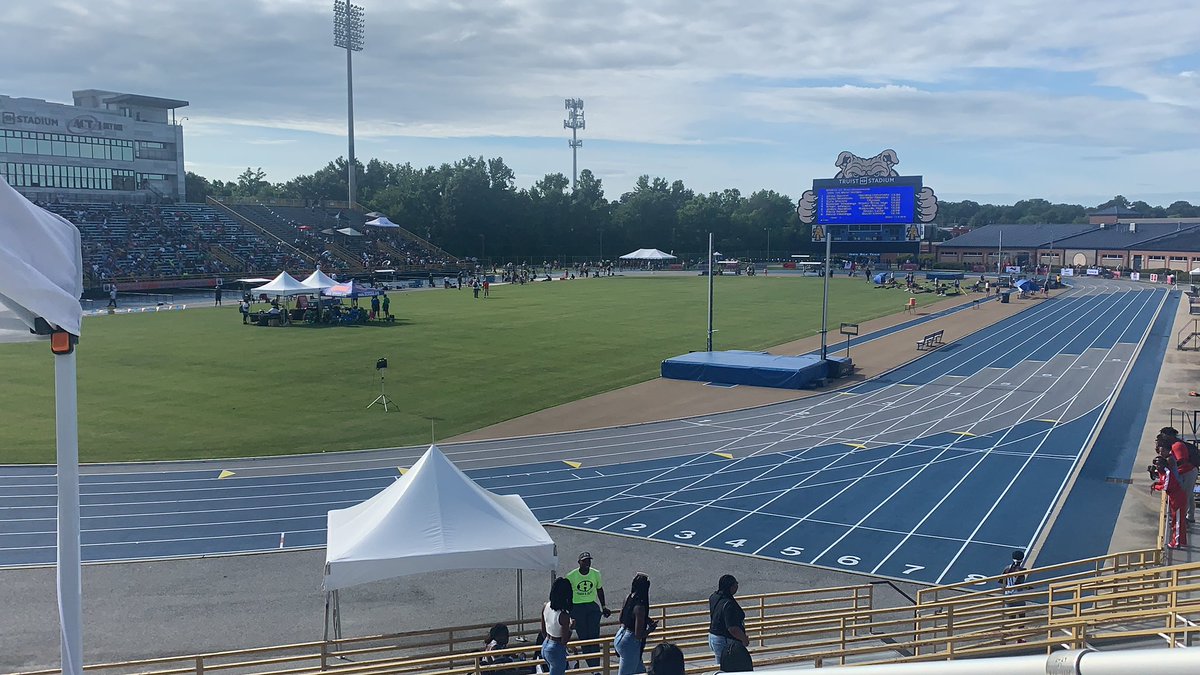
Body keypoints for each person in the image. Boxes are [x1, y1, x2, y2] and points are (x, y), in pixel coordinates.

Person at [567, 551, 609, 668]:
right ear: (579, 562)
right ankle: (591, 666)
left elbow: (599, 589)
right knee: (584, 638)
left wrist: (604, 606)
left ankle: (595, 667)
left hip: (591, 606)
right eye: (585, 561)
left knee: (594, 636)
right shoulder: (571, 576)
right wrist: (568, 612)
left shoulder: (596, 574)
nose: (587, 563)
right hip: (577, 608)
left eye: (589, 561)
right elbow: (566, 595)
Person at [613, 573, 653, 675]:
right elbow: (638, 634)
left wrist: (644, 619)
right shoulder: (640, 606)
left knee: (640, 671)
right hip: (630, 642)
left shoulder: (628, 597)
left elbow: (622, 618)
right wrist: (650, 630)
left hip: (620, 634)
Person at [707, 574, 749, 666]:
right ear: (730, 587)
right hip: (724, 639)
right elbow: (732, 628)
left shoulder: (714, 597)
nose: (737, 586)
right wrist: (744, 639)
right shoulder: (728, 604)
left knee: (722, 665)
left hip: (713, 636)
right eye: (735, 584)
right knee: (730, 666)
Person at [1160, 427, 1197, 522]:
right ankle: (1190, 517)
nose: (1163, 438)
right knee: (1189, 494)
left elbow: (1182, 461)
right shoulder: (1174, 444)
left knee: (1185, 496)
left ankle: (1182, 520)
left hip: (1188, 472)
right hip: (1188, 472)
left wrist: (1168, 465)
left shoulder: (1177, 445)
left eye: (1164, 435)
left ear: (1169, 435)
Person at [1153, 455, 1189, 549]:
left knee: (1177, 521)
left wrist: (1155, 487)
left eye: (1157, 465)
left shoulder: (1168, 472)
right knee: (1177, 520)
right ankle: (1182, 541)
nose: (1156, 467)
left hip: (1178, 499)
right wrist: (1156, 483)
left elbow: (1165, 486)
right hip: (1174, 498)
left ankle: (1176, 543)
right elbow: (1162, 482)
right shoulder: (1163, 472)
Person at [541, 577, 574, 675]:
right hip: (556, 647)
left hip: (546, 643)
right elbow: (564, 641)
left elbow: (543, 631)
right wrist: (571, 628)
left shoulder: (546, 606)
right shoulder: (563, 615)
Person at [999, 550, 1028, 642]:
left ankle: (1005, 637)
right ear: (1022, 559)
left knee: (1011, 617)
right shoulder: (1021, 570)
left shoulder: (1006, 568)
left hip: (1008, 594)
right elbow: (1020, 583)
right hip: (1017, 595)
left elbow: (1001, 581)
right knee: (1021, 616)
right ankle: (1019, 638)